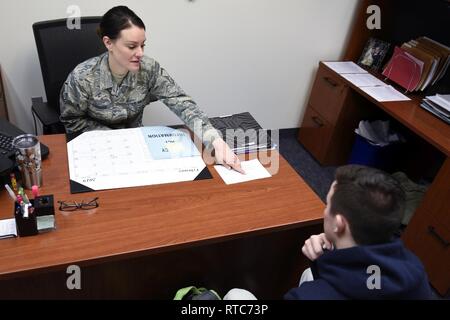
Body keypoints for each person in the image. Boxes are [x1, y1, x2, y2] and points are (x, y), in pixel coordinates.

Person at [60, 6, 243, 173]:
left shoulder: (148, 69)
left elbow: (181, 103)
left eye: (142, 45)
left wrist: (216, 141)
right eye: (132, 46)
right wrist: (114, 139)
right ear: (108, 43)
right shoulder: (83, 77)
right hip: (96, 151)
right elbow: (71, 121)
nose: (140, 53)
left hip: (139, 151)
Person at [284, 164, 431, 300]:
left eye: (328, 204)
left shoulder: (305, 296)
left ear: (339, 224)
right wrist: (325, 259)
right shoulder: (415, 271)